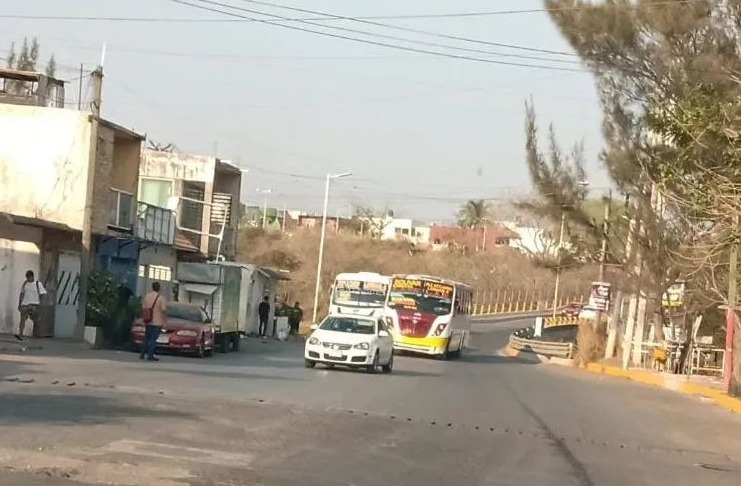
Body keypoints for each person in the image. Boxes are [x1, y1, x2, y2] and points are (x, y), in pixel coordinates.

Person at [16, 270, 47, 341]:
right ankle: (20, 333)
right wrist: (19, 304)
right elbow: (22, 294)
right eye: (27, 277)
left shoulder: (38, 284)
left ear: (32, 276)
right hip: (25, 304)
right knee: (23, 319)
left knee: (35, 320)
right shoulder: (25, 284)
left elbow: (43, 294)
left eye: (29, 277)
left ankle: (35, 334)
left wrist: (41, 304)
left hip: (35, 304)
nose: (28, 279)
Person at [140, 281, 167, 362]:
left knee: (146, 338)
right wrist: (164, 321)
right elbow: (163, 310)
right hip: (157, 321)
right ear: (159, 288)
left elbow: (143, 308)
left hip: (148, 320)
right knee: (153, 339)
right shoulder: (161, 298)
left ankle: (142, 354)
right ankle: (150, 355)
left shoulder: (147, 296)